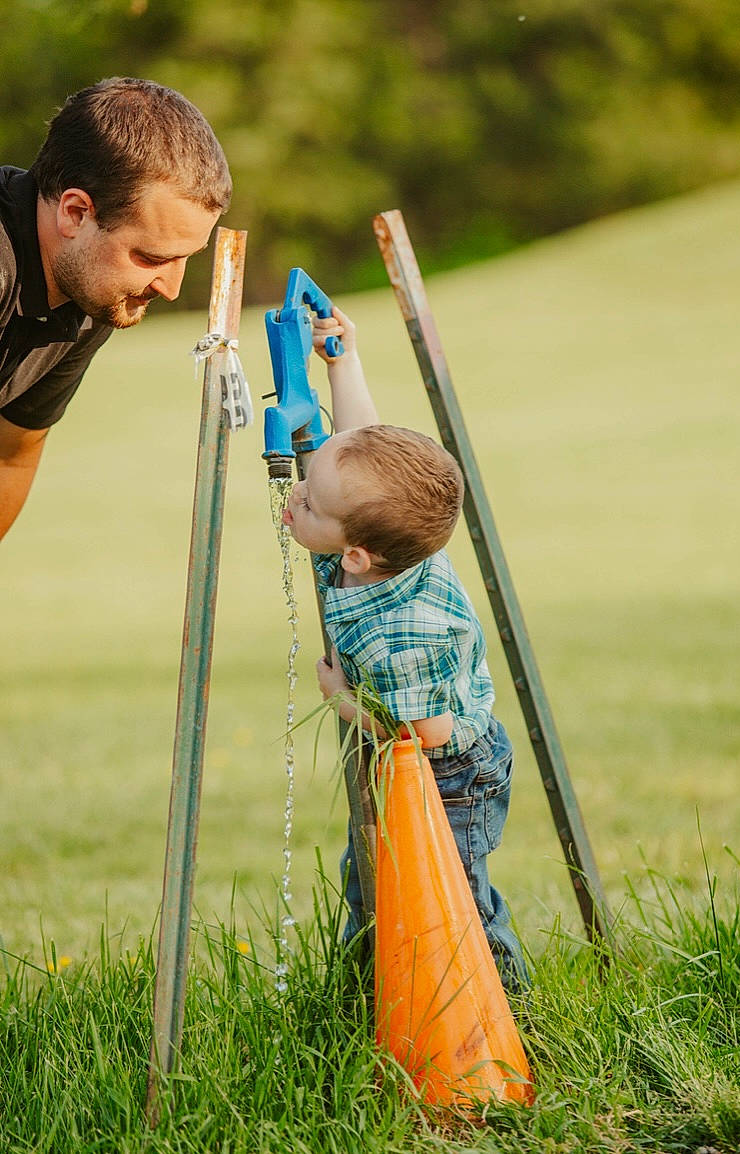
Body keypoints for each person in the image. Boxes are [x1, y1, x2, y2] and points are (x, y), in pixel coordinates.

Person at [282, 306, 529, 993]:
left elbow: (424, 731)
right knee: (372, 873)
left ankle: (503, 1011)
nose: (295, 492)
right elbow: (361, 445)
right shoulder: (388, 541)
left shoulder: (401, 633)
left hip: (453, 774)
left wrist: (342, 702)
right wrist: (342, 362)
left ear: (355, 554)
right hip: (427, 756)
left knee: (457, 898)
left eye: (309, 502)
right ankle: (379, 995)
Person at [0, 76, 232, 540]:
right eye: (150, 258)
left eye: (185, 257)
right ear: (76, 213)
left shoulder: (92, 289)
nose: (169, 287)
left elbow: (11, 454)